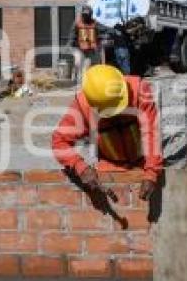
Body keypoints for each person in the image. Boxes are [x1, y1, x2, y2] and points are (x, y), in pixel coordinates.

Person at [52, 65, 163, 205]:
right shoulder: (82, 106)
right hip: (109, 168)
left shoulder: (139, 90)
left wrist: (152, 172)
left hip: (142, 164)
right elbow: (59, 141)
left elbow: (152, 133)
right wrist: (81, 167)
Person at [68, 5, 101, 81]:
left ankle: (84, 82)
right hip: (79, 48)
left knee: (87, 66)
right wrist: (70, 44)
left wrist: (112, 31)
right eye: (84, 14)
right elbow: (72, 35)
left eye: (87, 14)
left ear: (90, 14)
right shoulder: (77, 23)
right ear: (82, 14)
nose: (85, 16)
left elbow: (102, 30)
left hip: (90, 49)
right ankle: (75, 74)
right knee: (78, 62)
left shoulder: (95, 23)